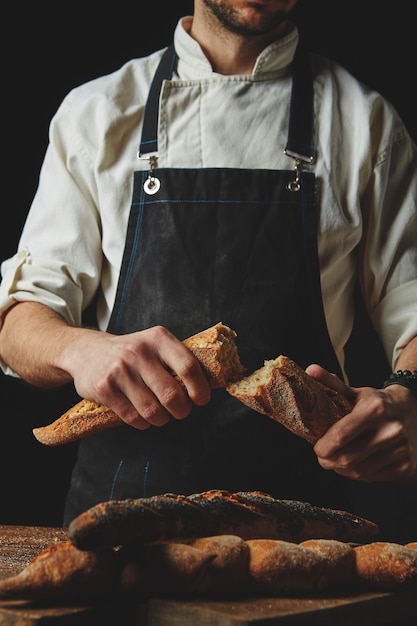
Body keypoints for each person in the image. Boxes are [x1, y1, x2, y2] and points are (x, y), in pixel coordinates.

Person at [0, 0, 416, 536]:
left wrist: (407, 398)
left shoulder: (367, 123)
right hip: (119, 530)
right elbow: (17, 323)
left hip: (301, 532)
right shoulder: (95, 114)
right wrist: (77, 349)